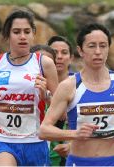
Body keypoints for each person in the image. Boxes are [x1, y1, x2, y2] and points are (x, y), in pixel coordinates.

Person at [39, 23, 114, 166]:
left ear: (108, 48)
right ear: (80, 50)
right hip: (79, 162)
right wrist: (74, 134)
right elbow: (44, 130)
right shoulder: (69, 86)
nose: (98, 51)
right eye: (92, 46)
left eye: (103, 46)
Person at [0, 9, 58, 166]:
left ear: (33, 34)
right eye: (16, 32)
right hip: (2, 141)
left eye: (27, 31)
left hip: (35, 141)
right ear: (7, 35)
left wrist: (46, 95)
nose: (22, 36)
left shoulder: (44, 63)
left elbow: (59, 106)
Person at [47, 35, 74, 166]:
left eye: (64, 52)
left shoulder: (80, 86)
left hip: (71, 157)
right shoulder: (36, 85)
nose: (59, 56)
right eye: (54, 52)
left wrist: (71, 144)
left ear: (71, 58)